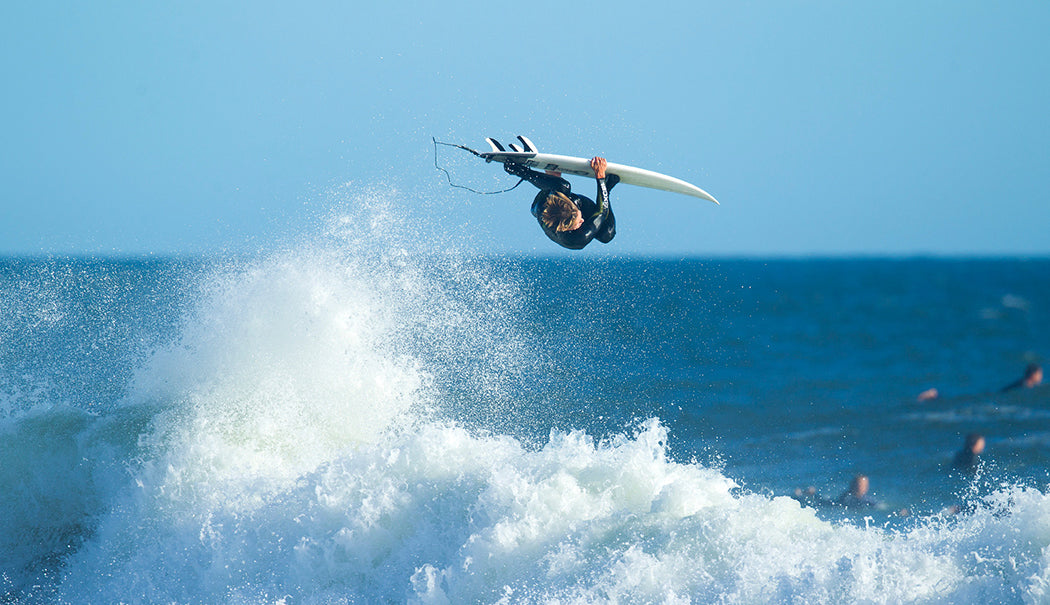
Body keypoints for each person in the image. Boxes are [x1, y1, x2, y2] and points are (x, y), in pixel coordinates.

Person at [504, 156, 619, 250]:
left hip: (547, 202)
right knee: (607, 234)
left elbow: (544, 204)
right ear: (568, 228)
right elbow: (601, 212)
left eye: (580, 219)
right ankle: (606, 190)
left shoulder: (542, 207)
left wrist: (553, 181)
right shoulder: (580, 238)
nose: (582, 220)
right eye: (579, 222)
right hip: (566, 210)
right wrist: (600, 177)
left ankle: (518, 170)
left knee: (563, 186)